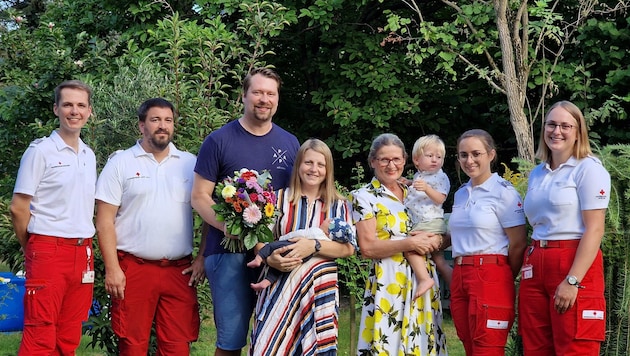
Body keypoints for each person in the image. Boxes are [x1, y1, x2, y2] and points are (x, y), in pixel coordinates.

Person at [191, 67, 300, 356]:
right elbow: (200, 197)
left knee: (277, 338)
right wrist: (229, 226)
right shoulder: (219, 140)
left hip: (277, 253)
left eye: (270, 93)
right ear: (244, 95)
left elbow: (301, 196)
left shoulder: (290, 143)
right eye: (258, 92)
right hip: (229, 252)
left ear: (277, 99)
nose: (264, 99)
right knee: (230, 342)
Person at [95, 98, 202, 354]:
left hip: (179, 270)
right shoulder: (121, 163)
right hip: (134, 269)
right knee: (132, 345)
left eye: (168, 120)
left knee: (177, 346)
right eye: (155, 120)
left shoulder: (190, 163)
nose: (162, 126)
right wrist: (112, 268)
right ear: (141, 125)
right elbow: (104, 219)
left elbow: (208, 210)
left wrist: (202, 258)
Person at [9, 80, 97, 355]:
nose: (74, 111)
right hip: (48, 247)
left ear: (89, 111)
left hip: (82, 252)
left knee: (69, 334)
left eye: (81, 105)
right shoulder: (41, 151)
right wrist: (32, 246)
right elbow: (18, 207)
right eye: (68, 104)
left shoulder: (88, 154)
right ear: (56, 109)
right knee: (41, 334)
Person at [518, 101, 610, 355]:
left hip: (573, 261)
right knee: (536, 347)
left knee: (574, 347)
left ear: (578, 132)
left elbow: (595, 229)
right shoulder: (538, 173)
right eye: (551, 124)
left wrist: (573, 280)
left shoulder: (588, 169)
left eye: (565, 126)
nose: (556, 131)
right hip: (536, 262)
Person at [249, 138, 356, 355]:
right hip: (278, 290)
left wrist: (314, 246)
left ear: (328, 169)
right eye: (308, 163)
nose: (314, 169)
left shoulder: (339, 205)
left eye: (320, 164)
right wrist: (270, 259)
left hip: (319, 293)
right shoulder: (277, 199)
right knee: (267, 346)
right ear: (298, 165)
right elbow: (259, 239)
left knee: (314, 347)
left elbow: (348, 249)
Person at [350, 133, 448, 355]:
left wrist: (437, 240)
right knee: (388, 344)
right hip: (389, 280)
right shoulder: (364, 196)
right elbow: (368, 248)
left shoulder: (415, 191)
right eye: (384, 159)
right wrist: (409, 243)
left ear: (405, 160)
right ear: (373, 161)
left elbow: (442, 231)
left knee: (423, 344)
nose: (391, 165)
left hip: (423, 282)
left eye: (396, 159)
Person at [447, 129, 527, 355]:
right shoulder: (461, 193)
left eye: (476, 153)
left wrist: (499, 276)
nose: (469, 160)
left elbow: (519, 243)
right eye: (463, 155)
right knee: (469, 345)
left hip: (491, 273)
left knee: (488, 347)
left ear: (491, 155)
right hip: (461, 274)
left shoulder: (504, 193)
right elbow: (456, 234)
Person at [401, 134, 453, 298]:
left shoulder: (440, 176)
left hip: (429, 222)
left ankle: (424, 279)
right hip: (424, 221)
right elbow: (417, 190)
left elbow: (440, 199)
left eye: (439, 157)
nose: (435, 160)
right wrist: (409, 183)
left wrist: (427, 189)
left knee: (410, 248)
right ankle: (457, 288)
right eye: (430, 156)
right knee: (439, 261)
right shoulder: (421, 176)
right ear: (416, 160)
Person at [246, 216, 354, 291]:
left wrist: (284, 238)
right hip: (300, 260)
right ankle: (266, 282)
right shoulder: (278, 198)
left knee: (269, 247)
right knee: (279, 269)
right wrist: (269, 261)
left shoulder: (316, 232)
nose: (326, 219)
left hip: (288, 246)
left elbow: (349, 249)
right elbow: (257, 242)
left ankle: (258, 259)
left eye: (329, 221)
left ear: (329, 230)